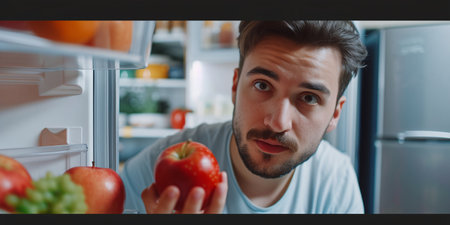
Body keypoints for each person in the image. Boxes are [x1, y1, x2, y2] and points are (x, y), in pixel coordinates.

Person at [120, 20, 368, 214]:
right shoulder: (157, 169)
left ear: (335, 114)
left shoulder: (335, 183)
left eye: (309, 98)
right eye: (262, 85)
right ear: (235, 85)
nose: (278, 122)